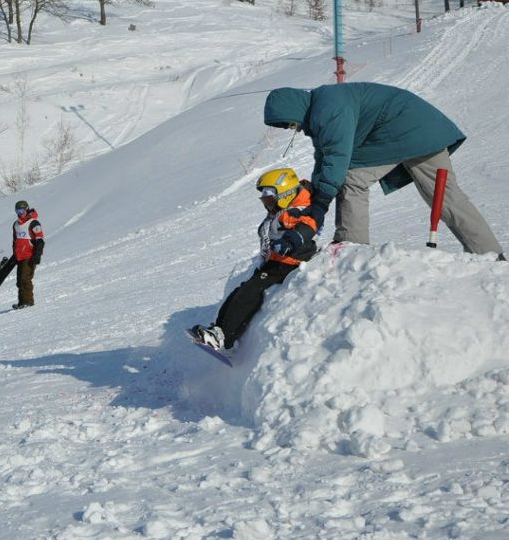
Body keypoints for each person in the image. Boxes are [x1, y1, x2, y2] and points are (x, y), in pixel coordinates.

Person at [263, 82, 504, 259]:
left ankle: (351, 250)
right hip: (424, 129)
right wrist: (316, 192)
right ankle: (492, 255)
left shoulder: (328, 110)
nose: (291, 129)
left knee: (351, 179)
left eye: (288, 123)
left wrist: (321, 203)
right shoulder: (323, 104)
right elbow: (324, 155)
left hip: (403, 131)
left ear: (293, 109)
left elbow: (337, 156)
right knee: (448, 199)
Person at [191, 168, 318, 351]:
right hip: (276, 261)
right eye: (264, 199)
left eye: (269, 198)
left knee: (251, 290)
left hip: (289, 263)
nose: (266, 203)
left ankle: (223, 337)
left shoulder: (298, 210)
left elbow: (308, 226)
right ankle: (218, 331)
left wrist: (289, 242)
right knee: (241, 290)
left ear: (284, 193)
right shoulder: (283, 208)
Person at [11, 200, 44, 309]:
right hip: (20, 256)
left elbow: (40, 240)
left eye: (21, 210)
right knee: (19, 280)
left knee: (25, 279)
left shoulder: (33, 223)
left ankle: (29, 302)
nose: (20, 213)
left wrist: (37, 255)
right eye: (17, 211)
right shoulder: (16, 224)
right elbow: (15, 241)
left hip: (30, 255)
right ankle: (21, 302)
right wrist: (14, 254)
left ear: (26, 209)